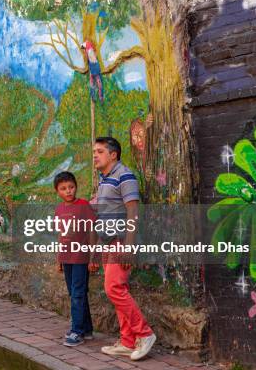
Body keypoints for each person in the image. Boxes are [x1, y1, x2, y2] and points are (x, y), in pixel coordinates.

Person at [91, 137, 156, 361]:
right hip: (108, 242)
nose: (95, 155)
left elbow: (133, 212)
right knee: (119, 290)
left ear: (113, 155)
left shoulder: (124, 175)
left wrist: (128, 247)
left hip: (121, 241)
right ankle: (128, 341)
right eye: (94, 151)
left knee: (114, 289)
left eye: (99, 151)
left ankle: (145, 334)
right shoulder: (104, 179)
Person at [53, 171, 97, 347]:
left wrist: (93, 256)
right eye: (63, 188)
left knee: (77, 294)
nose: (68, 191)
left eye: (71, 187)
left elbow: (92, 231)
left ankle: (76, 331)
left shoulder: (83, 206)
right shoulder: (59, 209)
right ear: (57, 191)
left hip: (81, 257)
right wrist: (58, 259)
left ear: (76, 187)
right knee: (75, 293)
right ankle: (86, 329)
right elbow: (60, 235)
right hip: (66, 257)